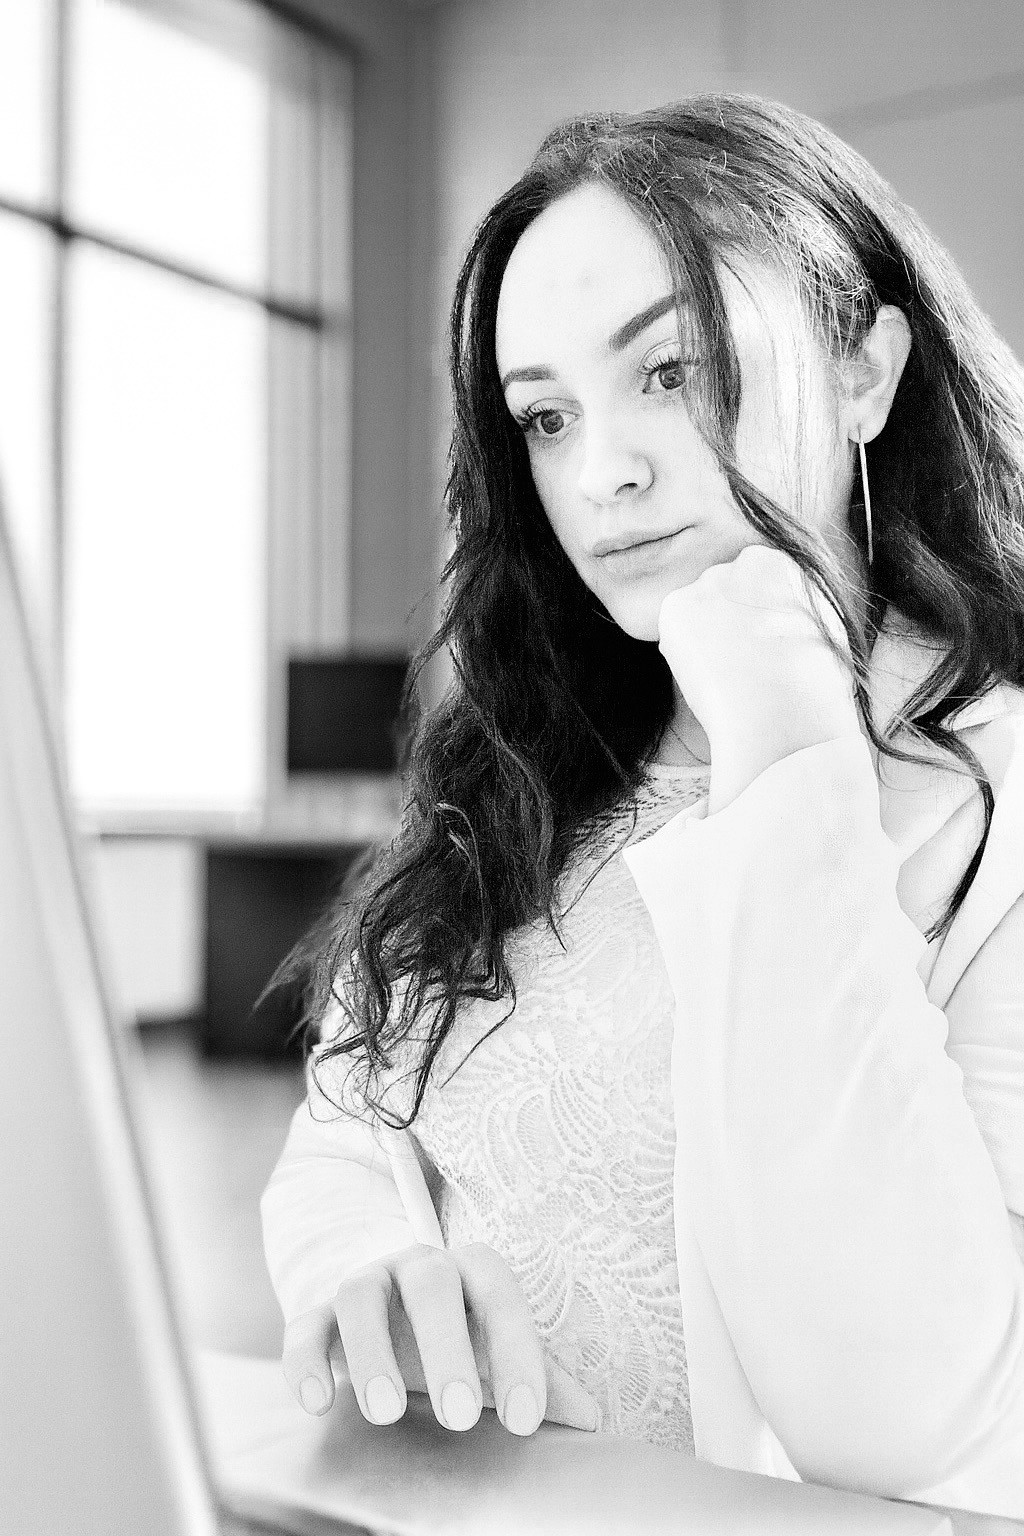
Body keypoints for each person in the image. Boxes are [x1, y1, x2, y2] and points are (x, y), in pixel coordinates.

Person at [260, 93, 1024, 1516]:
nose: (600, 474)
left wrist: (794, 757)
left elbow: (913, 1423)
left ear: (868, 372)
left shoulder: (999, 803)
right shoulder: (536, 764)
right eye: (544, 414)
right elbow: (345, 1136)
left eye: (671, 371)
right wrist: (367, 1278)